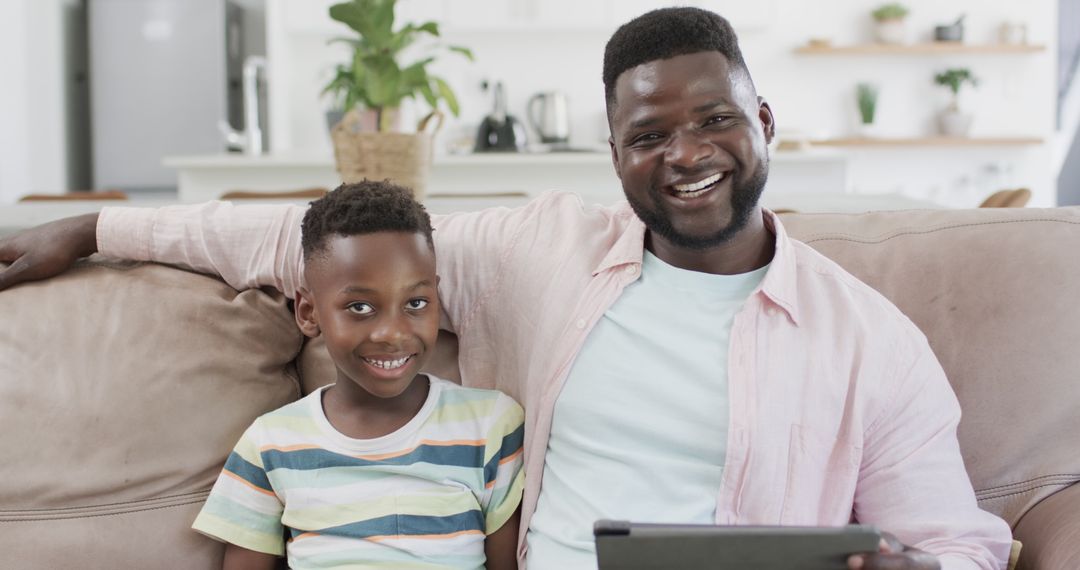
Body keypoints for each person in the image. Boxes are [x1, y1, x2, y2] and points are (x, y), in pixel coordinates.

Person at [0, 7, 1011, 570]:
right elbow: (289, 232)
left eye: (716, 122)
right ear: (613, 156)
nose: (687, 156)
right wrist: (95, 225)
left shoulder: (869, 339)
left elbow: (962, 542)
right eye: (649, 137)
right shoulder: (544, 252)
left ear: (768, 121)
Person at [190, 182, 524, 570]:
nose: (393, 333)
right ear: (308, 313)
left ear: (437, 297)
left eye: (416, 303)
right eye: (360, 307)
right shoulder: (270, 444)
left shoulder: (489, 426)